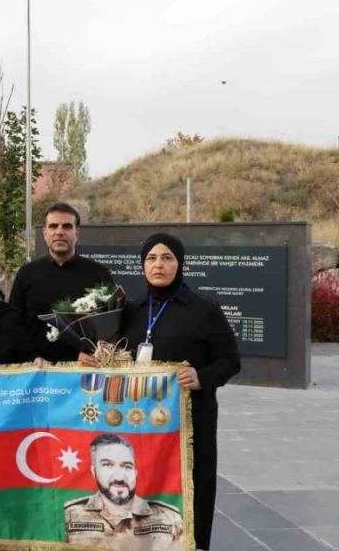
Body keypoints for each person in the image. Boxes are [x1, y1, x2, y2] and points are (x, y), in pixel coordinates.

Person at [115, 233, 241, 551]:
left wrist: (202, 376)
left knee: (193, 483)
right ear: (143, 265)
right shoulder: (131, 311)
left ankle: (193, 544)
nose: (159, 264)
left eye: (167, 258)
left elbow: (230, 360)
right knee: (145, 482)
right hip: (141, 422)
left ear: (179, 264)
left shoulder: (203, 309)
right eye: (152, 258)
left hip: (190, 422)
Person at [9, 202, 114, 363]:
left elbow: (110, 326)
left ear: (76, 233)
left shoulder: (99, 274)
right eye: (53, 226)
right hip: (38, 370)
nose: (59, 232)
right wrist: (32, 357)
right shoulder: (26, 274)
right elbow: (14, 326)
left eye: (66, 226)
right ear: (45, 233)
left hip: (86, 369)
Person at [63, 434, 185, 551]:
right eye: (108, 465)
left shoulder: (169, 518)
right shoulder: (69, 516)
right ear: (94, 471)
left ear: (135, 473)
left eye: (127, 466)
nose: (119, 477)